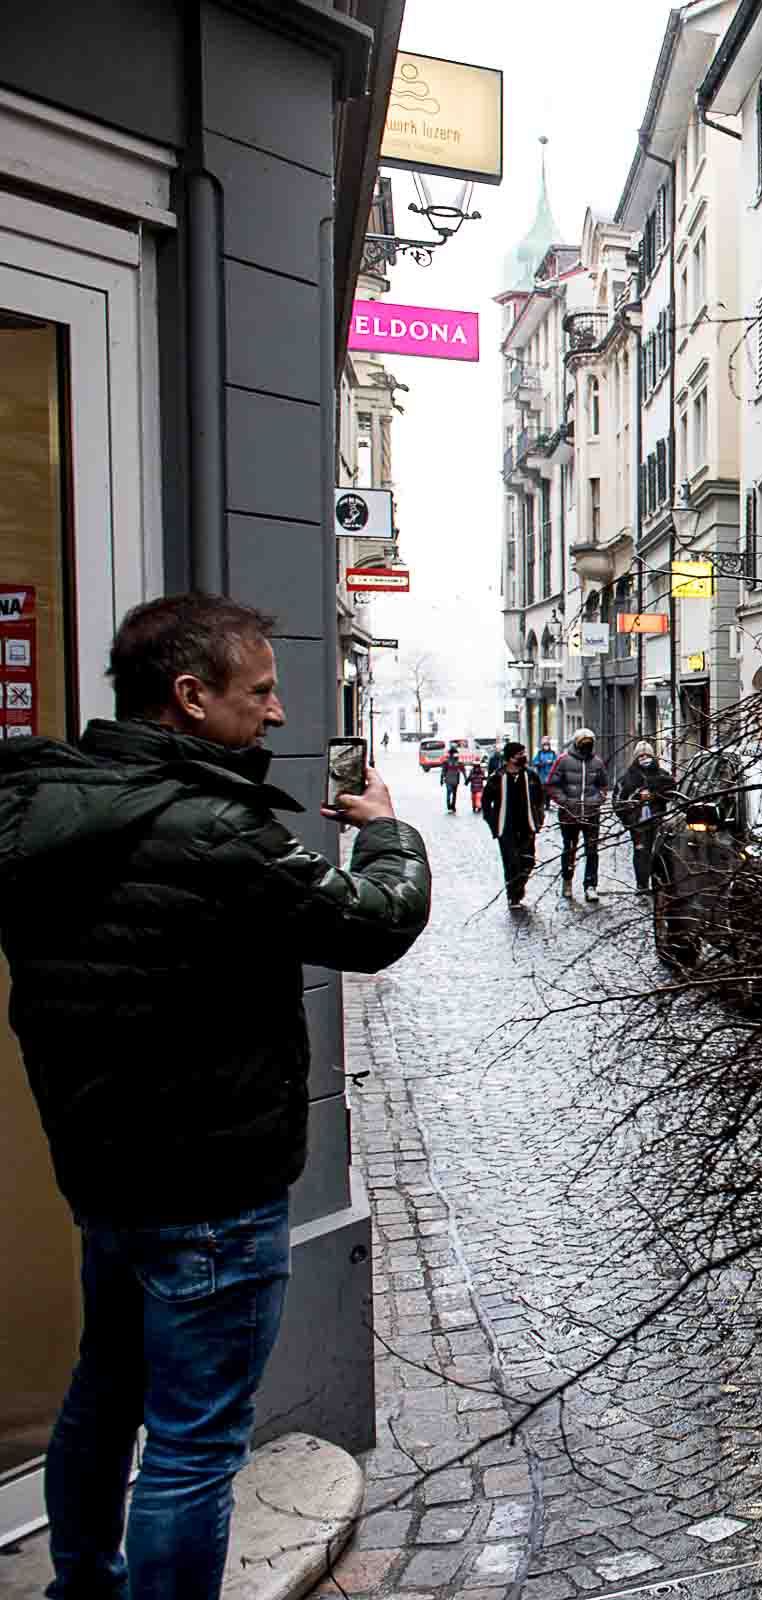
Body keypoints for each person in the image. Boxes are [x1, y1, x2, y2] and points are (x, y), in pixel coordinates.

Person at [0, 593, 430, 1600]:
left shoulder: (52, 808)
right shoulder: (209, 828)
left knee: (102, 1398)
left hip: (107, 1171)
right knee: (194, 1446)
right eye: (262, 690)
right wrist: (387, 832)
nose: (277, 713)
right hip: (211, 1183)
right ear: (190, 698)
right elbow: (370, 926)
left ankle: (82, 1587)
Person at [546, 727, 609, 903]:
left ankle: (590, 886)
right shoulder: (563, 761)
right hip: (569, 814)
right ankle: (567, 881)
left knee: (592, 850)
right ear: (576, 743)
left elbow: (604, 786)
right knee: (570, 849)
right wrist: (565, 802)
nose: (586, 748)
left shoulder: (597, 763)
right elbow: (551, 784)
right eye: (583, 744)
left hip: (591, 814)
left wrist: (597, 800)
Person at [480, 741, 546, 905]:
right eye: (520, 755)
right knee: (511, 862)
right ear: (510, 758)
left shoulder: (530, 776)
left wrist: (539, 818)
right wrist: (494, 824)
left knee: (528, 861)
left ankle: (518, 886)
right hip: (506, 828)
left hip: (527, 826)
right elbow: (486, 802)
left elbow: (540, 798)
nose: (524, 757)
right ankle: (514, 895)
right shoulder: (497, 777)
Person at [612, 741, 677, 894]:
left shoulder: (662, 775)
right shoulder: (627, 778)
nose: (644, 758)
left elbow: (670, 793)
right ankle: (642, 884)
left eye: (647, 755)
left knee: (657, 852)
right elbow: (617, 801)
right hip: (638, 823)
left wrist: (654, 794)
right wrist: (629, 819)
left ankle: (657, 882)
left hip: (657, 820)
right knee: (641, 852)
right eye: (641, 756)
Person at [439, 746, 464, 813]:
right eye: (455, 753)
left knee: (453, 794)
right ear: (451, 754)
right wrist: (441, 779)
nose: (456, 755)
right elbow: (443, 771)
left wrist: (465, 778)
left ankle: (452, 806)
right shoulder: (447, 762)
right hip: (449, 780)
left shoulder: (458, 762)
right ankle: (450, 806)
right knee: (450, 793)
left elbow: (463, 770)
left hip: (454, 780)